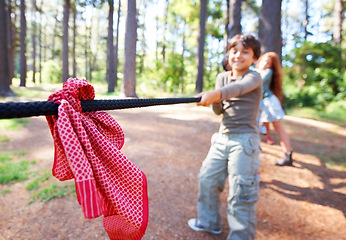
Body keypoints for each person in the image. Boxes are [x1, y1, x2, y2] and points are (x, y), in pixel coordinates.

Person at [188, 34, 262, 240]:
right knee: (207, 179)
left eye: (245, 52)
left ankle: (241, 236)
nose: (238, 55)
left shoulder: (254, 77)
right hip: (222, 137)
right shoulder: (221, 78)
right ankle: (209, 222)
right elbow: (219, 112)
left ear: (254, 58)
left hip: (245, 140)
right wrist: (214, 99)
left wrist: (216, 94)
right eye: (234, 50)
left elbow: (236, 89)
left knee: (241, 191)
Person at [256, 52, 294, 166]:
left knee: (278, 126)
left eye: (268, 63)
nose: (265, 64)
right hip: (262, 103)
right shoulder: (256, 71)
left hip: (270, 102)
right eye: (264, 61)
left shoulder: (267, 72)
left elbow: (258, 81)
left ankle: (288, 153)